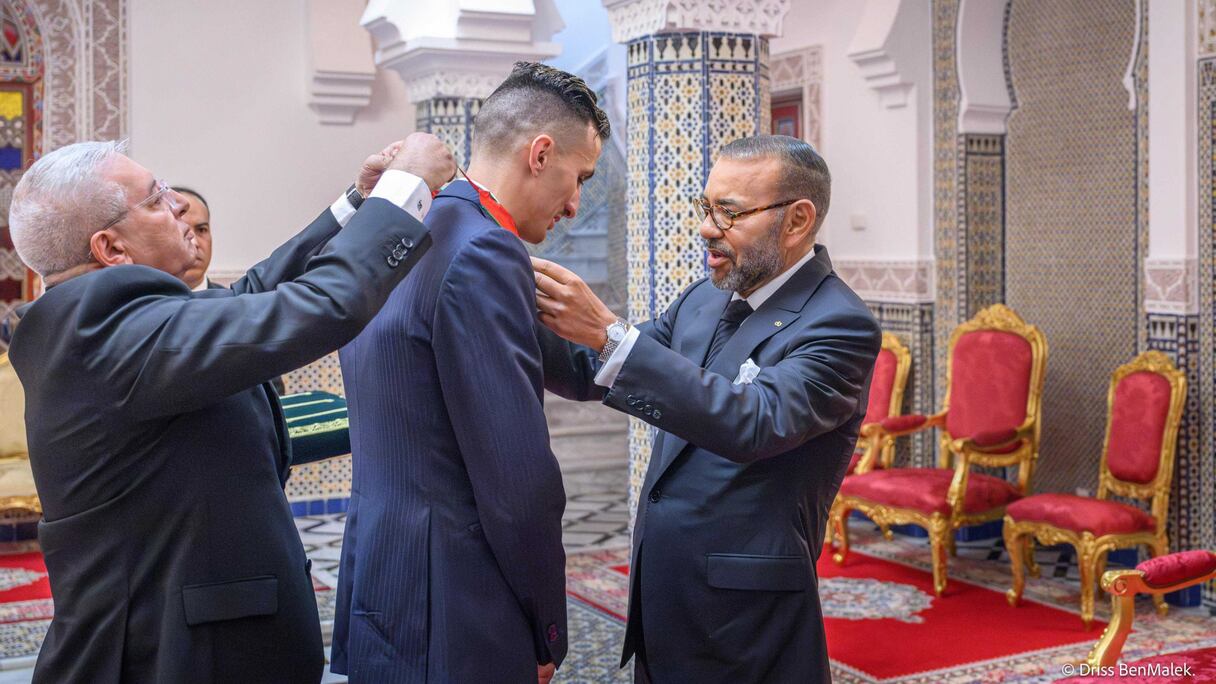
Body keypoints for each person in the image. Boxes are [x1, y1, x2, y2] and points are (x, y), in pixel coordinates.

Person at [7, 133, 455, 683]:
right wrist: (404, 191)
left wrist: (357, 202)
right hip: (175, 657)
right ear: (111, 249)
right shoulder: (105, 333)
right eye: (155, 199)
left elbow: (250, 292)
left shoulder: (101, 321)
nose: (179, 205)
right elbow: (324, 306)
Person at [533, 135, 882, 683]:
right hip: (665, 596)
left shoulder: (839, 324)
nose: (706, 228)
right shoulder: (705, 298)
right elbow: (593, 369)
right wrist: (503, 296)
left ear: (797, 221)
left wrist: (610, 334)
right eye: (706, 207)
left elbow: (754, 421)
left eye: (730, 212)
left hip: (746, 621)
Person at [332, 62, 608, 684]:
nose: (575, 204)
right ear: (540, 153)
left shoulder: (403, 222)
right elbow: (517, 478)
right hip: (458, 593)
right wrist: (547, 625)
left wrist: (623, 343)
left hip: (384, 563)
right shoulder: (485, 249)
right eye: (579, 178)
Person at [174, 186, 216, 291]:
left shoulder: (232, 302)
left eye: (202, 230)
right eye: (182, 230)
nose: (194, 242)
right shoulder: (136, 305)